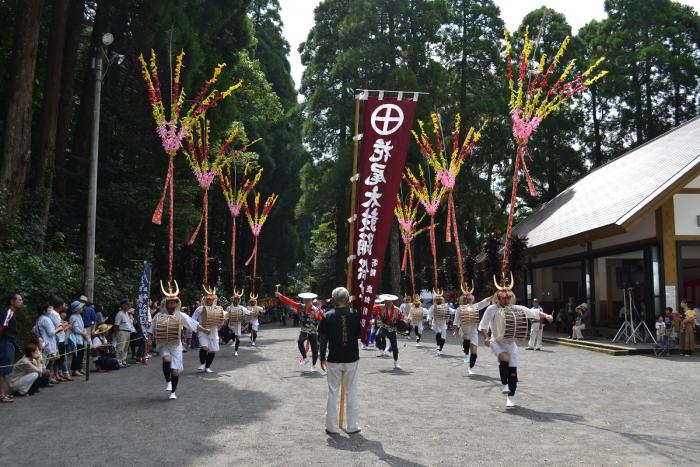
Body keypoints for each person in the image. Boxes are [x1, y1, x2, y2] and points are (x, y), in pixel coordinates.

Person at [479, 275, 553, 408]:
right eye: (504, 297)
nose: (506, 299)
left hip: (511, 344)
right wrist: (486, 337)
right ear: (499, 296)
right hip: (496, 341)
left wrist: (546, 315)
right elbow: (483, 325)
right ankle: (504, 384)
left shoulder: (516, 308)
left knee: (513, 373)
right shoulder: (492, 309)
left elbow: (532, 312)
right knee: (504, 358)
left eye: (508, 297)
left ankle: (510, 397)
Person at [148, 282, 210, 400]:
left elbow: (193, 324)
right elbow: (151, 329)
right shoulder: (159, 316)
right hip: (163, 343)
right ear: (166, 304)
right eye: (170, 302)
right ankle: (168, 381)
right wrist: (149, 339)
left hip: (176, 345)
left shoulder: (180, 315)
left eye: (174, 302)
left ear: (176, 304)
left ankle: (173, 392)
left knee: (175, 371)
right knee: (166, 359)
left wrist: (205, 330)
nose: (172, 305)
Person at [318, 287, 361, 435]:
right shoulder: (356, 315)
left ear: (334, 299)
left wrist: (322, 356)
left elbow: (322, 339)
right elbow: (360, 334)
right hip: (351, 357)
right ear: (348, 299)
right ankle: (352, 426)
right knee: (352, 392)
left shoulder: (327, 316)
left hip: (334, 358)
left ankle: (331, 426)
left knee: (332, 392)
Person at [277, 290, 323, 371]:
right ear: (303, 300)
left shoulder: (316, 310)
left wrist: (318, 317)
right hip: (304, 330)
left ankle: (313, 365)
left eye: (308, 300)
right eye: (305, 300)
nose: (306, 301)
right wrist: (280, 296)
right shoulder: (300, 306)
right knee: (300, 341)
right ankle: (305, 358)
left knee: (315, 350)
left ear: (311, 301)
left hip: (313, 332)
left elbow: (321, 320)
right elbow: (290, 302)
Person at [453, 285, 491, 375]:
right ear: (463, 300)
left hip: (473, 331)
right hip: (464, 330)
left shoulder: (476, 306)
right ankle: (466, 354)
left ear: (472, 300)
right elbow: (456, 321)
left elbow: (484, 301)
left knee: (474, 352)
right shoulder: (459, 309)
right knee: (466, 338)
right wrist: (455, 330)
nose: (468, 301)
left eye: (470, 299)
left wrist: (494, 295)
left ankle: (471, 368)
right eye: (466, 299)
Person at [192, 287, 225, 373]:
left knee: (212, 350)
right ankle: (202, 363)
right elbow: (193, 319)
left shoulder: (218, 309)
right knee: (204, 347)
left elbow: (223, 316)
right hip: (202, 331)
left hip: (213, 332)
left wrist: (224, 319)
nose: (210, 301)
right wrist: (195, 328)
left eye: (212, 299)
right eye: (209, 299)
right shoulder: (200, 309)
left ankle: (207, 367)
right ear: (206, 299)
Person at [0, 293, 22, 403]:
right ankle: (1, 395)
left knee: (6, 369)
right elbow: (2, 327)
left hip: (10, 342)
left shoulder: (12, 313)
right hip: (5, 342)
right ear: (12, 301)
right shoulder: (8, 312)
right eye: (19, 300)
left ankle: (3, 392)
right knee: (3, 369)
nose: (21, 302)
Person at [372, 294, 404, 369]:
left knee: (394, 347)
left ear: (392, 302)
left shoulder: (397, 310)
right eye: (386, 302)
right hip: (383, 327)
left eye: (389, 302)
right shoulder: (380, 307)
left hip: (392, 329)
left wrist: (403, 325)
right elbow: (372, 308)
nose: (387, 304)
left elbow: (400, 320)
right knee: (377, 335)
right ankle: (381, 351)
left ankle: (396, 362)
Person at [35, 303, 60, 384]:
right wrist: (59, 329)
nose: (50, 309)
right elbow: (51, 332)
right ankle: (46, 380)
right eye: (48, 308)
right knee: (46, 363)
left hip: (43, 343)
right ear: (44, 310)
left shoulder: (40, 318)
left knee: (45, 363)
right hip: (47, 344)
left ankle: (46, 379)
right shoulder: (45, 319)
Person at [428, 289, 454, 355]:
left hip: (443, 324)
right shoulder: (433, 307)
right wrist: (430, 321)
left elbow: (453, 311)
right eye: (437, 300)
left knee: (443, 337)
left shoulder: (446, 306)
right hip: (435, 324)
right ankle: (438, 347)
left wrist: (460, 311)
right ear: (435, 300)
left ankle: (440, 349)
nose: (438, 301)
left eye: (439, 299)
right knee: (439, 333)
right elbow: (429, 314)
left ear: (442, 300)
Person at [225, 291, 249, 357]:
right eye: (235, 299)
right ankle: (232, 340)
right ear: (233, 300)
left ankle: (236, 351)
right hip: (231, 324)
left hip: (238, 324)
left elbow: (249, 312)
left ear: (239, 300)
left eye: (237, 299)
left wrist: (254, 312)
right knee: (233, 332)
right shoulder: (229, 308)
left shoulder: (241, 308)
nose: (236, 300)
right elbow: (225, 316)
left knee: (238, 339)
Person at [69, 301, 89, 377]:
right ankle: (75, 370)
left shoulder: (79, 315)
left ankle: (79, 368)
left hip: (81, 337)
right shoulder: (73, 316)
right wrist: (83, 333)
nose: (82, 308)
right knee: (77, 355)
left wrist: (84, 330)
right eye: (80, 307)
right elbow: (75, 329)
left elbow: (81, 326)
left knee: (81, 354)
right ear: (77, 309)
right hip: (76, 338)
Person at [113, 299, 134, 367]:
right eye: (127, 305)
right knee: (120, 347)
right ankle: (118, 361)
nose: (129, 306)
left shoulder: (126, 313)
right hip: (122, 331)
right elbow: (116, 325)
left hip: (127, 332)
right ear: (123, 305)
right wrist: (117, 333)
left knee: (126, 347)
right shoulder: (120, 314)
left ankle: (123, 361)